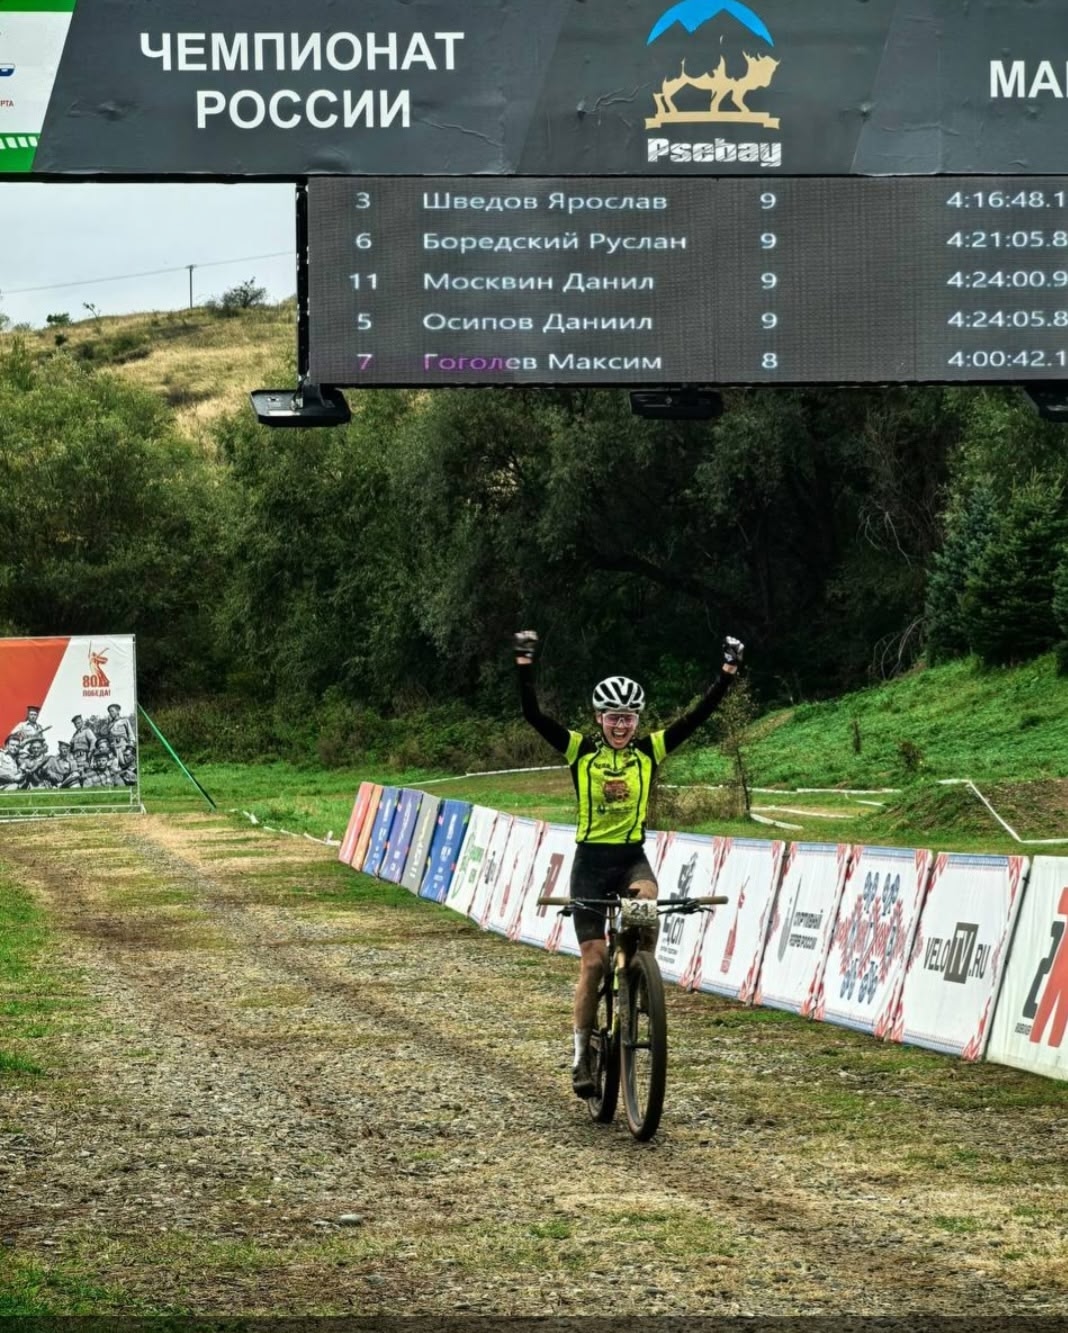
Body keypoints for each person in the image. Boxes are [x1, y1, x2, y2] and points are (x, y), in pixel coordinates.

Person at [513, 628, 743, 1098]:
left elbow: (696, 718)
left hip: (630, 859)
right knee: (594, 962)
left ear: (637, 721)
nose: (621, 726)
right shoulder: (580, 751)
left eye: (629, 718)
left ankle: (640, 979)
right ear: (599, 718)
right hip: (590, 864)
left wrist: (726, 673)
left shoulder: (648, 751)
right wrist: (524, 664)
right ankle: (581, 1056)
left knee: (647, 902)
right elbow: (533, 716)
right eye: (614, 717)